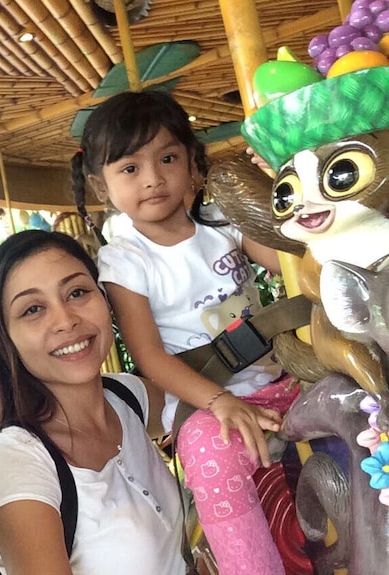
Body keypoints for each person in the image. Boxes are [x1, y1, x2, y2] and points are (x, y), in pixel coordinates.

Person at [72, 90, 299, 575]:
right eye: (130, 169)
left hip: (283, 382)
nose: (153, 179)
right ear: (100, 183)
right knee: (205, 452)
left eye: (168, 158)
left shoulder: (222, 222)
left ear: (193, 164)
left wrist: (268, 191)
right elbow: (150, 356)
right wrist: (219, 401)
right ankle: (252, 567)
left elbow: (289, 264)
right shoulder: (126, 259)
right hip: (208, 405)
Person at [0, 230, 186, 575]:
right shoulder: (18, 459)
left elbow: (201, 398)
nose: (66, 320)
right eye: (33, 309)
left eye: (77, 292)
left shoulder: (126, 398)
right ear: (6, 340)